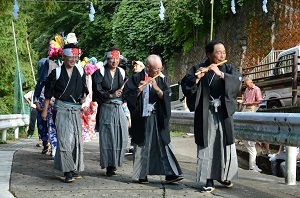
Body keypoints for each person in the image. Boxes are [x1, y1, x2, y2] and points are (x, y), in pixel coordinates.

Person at [181, 40, 241, 193]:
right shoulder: (197, 68)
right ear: (209, 54)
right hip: (206, 113)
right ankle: (208, 179)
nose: (222, 55)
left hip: (223, 112)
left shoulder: (228, 68)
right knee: (207, 145)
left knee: (223, 143)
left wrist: (221, 74)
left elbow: (237, 84)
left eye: (224, 52)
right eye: (218, 52)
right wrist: (197, 78)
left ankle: (223, 175)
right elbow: (186, 86)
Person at [123, 54, 183, 184]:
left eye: (160, 68)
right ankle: (141, 175)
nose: (159, 71)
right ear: (148, 67)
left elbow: (167, 95)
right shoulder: (136, 78)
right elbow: (127, 95)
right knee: (142, 146)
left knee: (164, 144)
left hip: (158, 116)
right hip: (142, 118)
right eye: (156, 69)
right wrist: (138, 91)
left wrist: (157, 89)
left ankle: (170, 173)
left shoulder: (161, 79)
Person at [42, 33, 89, 183]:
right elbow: (48, 93)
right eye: (71, 58)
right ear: (64, 57)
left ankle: (72, 167)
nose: (73, 60)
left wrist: (84, 99)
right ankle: (67, 171)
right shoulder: (56, 72)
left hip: (75, 109)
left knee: (75, 140)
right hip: (61, 109)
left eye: (76, 58)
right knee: (64, 140)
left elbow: (84, 89)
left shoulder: (80, 71)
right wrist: (45, 109)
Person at [92, 47, 129, 177]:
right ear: (107, 59)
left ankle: (116, 162)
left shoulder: (122, 73)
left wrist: (123, 96)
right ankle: (109, 166)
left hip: (118, 108)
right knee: (108, 136)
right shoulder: (100, 72)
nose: (114, 61)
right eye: (112, 58)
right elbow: (97, 91)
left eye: (117, 59)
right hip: (106, 107)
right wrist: (111, 95)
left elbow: (128, 90)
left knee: (122, 135)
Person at [239, 77, 264, 172]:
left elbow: (259, 101)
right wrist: (243, 101)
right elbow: (245, 99)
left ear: (251, 82)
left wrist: (249, 102)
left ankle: (253, 166)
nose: (246, 86)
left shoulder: (256, 89)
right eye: (245, 84)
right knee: (252, 148)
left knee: (252, 149)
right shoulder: (246, 89)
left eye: (247, 84)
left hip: (252, 107)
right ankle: (252, 167)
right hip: (246, 108)